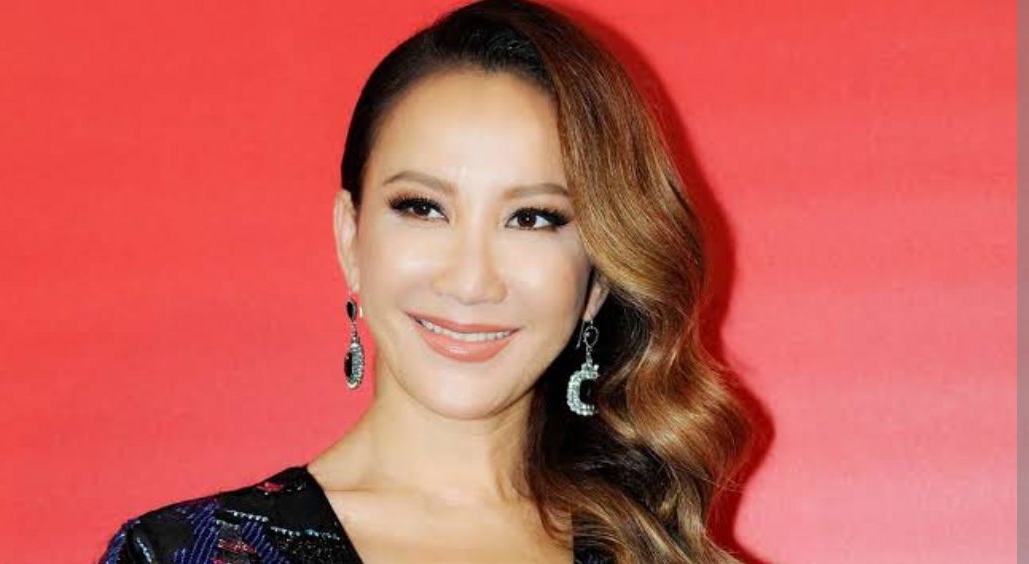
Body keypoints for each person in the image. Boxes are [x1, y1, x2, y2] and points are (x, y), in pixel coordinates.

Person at [97, 0, 754, 563]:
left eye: (531, 217)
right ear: (351, 239)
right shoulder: (186, 554)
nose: (470, 281)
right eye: (422, 207)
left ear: (598, 281)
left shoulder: (661, 553)